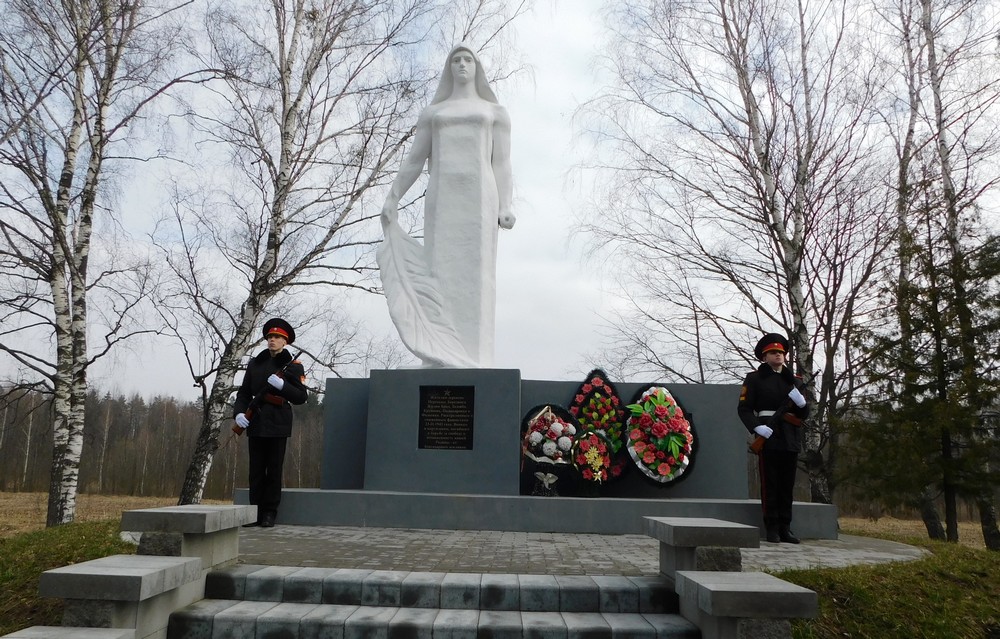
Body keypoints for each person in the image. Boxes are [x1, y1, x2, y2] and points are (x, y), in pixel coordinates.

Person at [378, 44, 514, 368]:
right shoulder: (434, 113)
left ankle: (474, 358)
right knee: (439, 273)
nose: (462, 65)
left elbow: (503, 162)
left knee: (477, 278)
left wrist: (506, 204)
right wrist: (393, 196)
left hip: (481, 199)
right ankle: (440, 355)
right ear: (448, 68)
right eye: (456, 60)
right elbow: (414, 159)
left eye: (468, 60)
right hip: (442, 199)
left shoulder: (494, 112)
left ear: (477, 67)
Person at [233, 318, 307, 527]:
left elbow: (301, 397)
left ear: (285, 342)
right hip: (255, 422)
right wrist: (239, 414)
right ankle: (254, 512)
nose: (272, 340)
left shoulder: (293, 366)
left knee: (273, 470)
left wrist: (283, 386)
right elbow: (244, 393)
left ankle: (269, 513)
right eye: (270, 337)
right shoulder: (256, 363)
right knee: (255, 470)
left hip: (278, 423)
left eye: (277, 337)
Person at [737, 333, 810, 543]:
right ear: (764, 356)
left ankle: (786, 527)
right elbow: (744, 409)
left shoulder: (795, 381)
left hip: (790, 437)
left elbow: (804, 415)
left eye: (780, 352)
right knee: (770, 483)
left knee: (787, 485)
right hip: (768, 435)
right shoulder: (754, 379)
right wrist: (757, 428)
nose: (778, 355)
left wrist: (802, 404)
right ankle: (772, 527)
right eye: (773, 353)